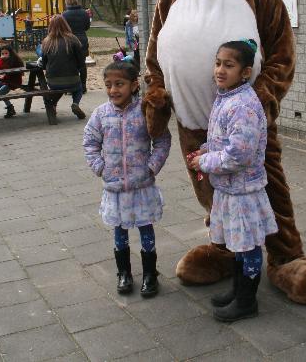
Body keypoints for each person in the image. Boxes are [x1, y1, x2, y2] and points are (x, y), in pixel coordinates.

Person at [187, 40, 277, 322]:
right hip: (229, 188)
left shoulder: (242, 105)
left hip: (243, 192)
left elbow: (239, 154)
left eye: (229, 65)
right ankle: (239, 290)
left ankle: (247, 300)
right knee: (238, 243)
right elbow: (224, 140)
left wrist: (205, 162)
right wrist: (206, 150)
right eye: (217, 63)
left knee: (247, 245)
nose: (220, 70)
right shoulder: (226, 97)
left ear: (245, 71)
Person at [83, 61, 171, 297]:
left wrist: (152, 167)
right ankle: (123, 272)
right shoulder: (101, 114)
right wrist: (100, 167)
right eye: (108, 85)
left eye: (119, 84)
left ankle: (150, 274)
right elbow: (90, 143)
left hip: (141, 185)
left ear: (133, 85)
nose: (113, 90)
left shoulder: (145, 111)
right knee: (119, 231)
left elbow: (162, 139)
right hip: (115, 188)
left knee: (145, 228)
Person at [40, 15, 86, 120]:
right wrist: (77, 69)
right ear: (65, 24)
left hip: (53, 80)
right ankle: (75, 103)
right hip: (72, 77)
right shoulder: (73, 39)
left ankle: (53, 105)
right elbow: (81, 60)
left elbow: (44, 64)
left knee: (58, 88)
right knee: (78, 88)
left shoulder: (47, 41)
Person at [61, 0, 90, 92]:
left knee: (71, 64)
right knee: (82, 64)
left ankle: (72, 86)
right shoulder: (84, 13)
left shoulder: (64, 14)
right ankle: (83, 86)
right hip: (82, 40)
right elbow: (87, 27)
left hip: (69, 40)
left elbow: (63, 29)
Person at [0, 45, 24, 119]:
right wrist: (1, 59)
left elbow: (2, 68)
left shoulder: (14, 60)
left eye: (6, 53)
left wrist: (2, 60)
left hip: (13, 82)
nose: (4, 55)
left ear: (10, 53)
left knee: (0, 93)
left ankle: (10, 107)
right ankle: (4, 87)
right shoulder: (4, 60)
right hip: (7, 79)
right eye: (2, 54)